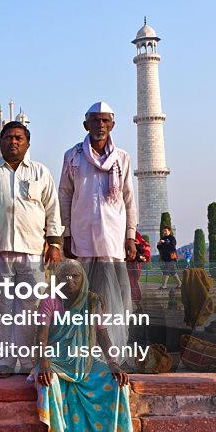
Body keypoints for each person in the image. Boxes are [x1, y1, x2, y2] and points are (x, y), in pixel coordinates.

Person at [32, 259, 135, 432]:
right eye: (65, 277)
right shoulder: (50, 300)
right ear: (58, 280)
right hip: (55, 359)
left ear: (83, 279)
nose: (70, 281)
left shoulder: (92, 302)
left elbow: (103, 336)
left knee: (116, 382)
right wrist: (43, 363)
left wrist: (113, 362)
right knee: (48, 382)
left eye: (75, 276)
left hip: (85, 361)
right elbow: (41, 335)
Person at [0, 120, 63, 377]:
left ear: (28, 143)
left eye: (19, 138)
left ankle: (30, 362)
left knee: (30, 311)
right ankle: (2, 363)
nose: (13, 142)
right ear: (0, 142)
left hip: (33, 252)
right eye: (8, 138)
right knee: (0, 310)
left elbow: (52, 210)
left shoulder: (40, 173)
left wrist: (54, 243)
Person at [59, 101, 137, 356]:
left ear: (112, 125)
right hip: (82, 238)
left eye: (105, 120)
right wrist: (66, 234)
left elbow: (128, 199)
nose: (100, 125)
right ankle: (83, 351)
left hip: (113, 239)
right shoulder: (73, 156)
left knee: (115, 299)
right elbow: (65, 196)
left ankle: (113, 352)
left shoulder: (122, 158)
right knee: (80, 297)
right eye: (95, 120)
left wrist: (130, 236)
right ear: (86, 125)